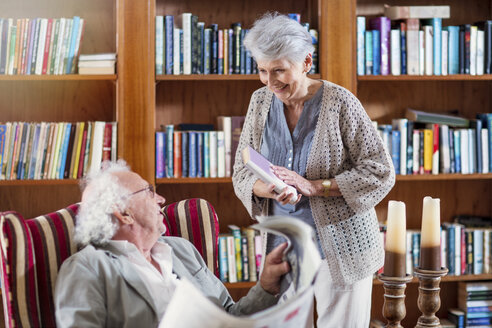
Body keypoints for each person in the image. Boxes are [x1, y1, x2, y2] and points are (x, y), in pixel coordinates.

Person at [232, 13, 395, 327]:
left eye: (280, 69)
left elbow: (380, 171)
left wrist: (314, 186)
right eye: (262, 71)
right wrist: (265, 187)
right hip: (283, 248)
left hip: (341, 247)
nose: (271, 82)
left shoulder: (340, 103)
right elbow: (242, 171)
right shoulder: (260, 101)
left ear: (306, 61)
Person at [54, 160, 290, 327]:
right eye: (149, 191)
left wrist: (267, 286)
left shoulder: (181, 249)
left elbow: (230, 316)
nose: (161, 199)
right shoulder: (88, 267)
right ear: (123, 212)